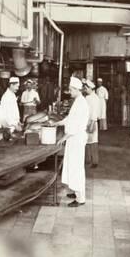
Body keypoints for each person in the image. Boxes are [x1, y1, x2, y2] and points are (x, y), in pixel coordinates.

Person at [52, 76, 89, 207]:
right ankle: (76, 191)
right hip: (73, 139)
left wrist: (63, 138)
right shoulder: (77, 101)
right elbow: (70, 119)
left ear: (76, 89)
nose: (69, 92)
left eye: (70, 90)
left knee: (76, 168)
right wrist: (58, 123)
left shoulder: (81, 103)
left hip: (76, 138)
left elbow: (76, 126)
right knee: (72, 166)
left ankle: (80, 198)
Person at [83, 79, 100, 167]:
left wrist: (92, 123)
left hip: (92, 121)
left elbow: (95, 112)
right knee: (86, 141)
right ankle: (87, 159)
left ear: (91, 88)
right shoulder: (87, 97)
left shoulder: (95, 98)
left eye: (86, 88)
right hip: (86, 121)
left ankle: (95, 162)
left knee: (93, 142)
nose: (85, 90)